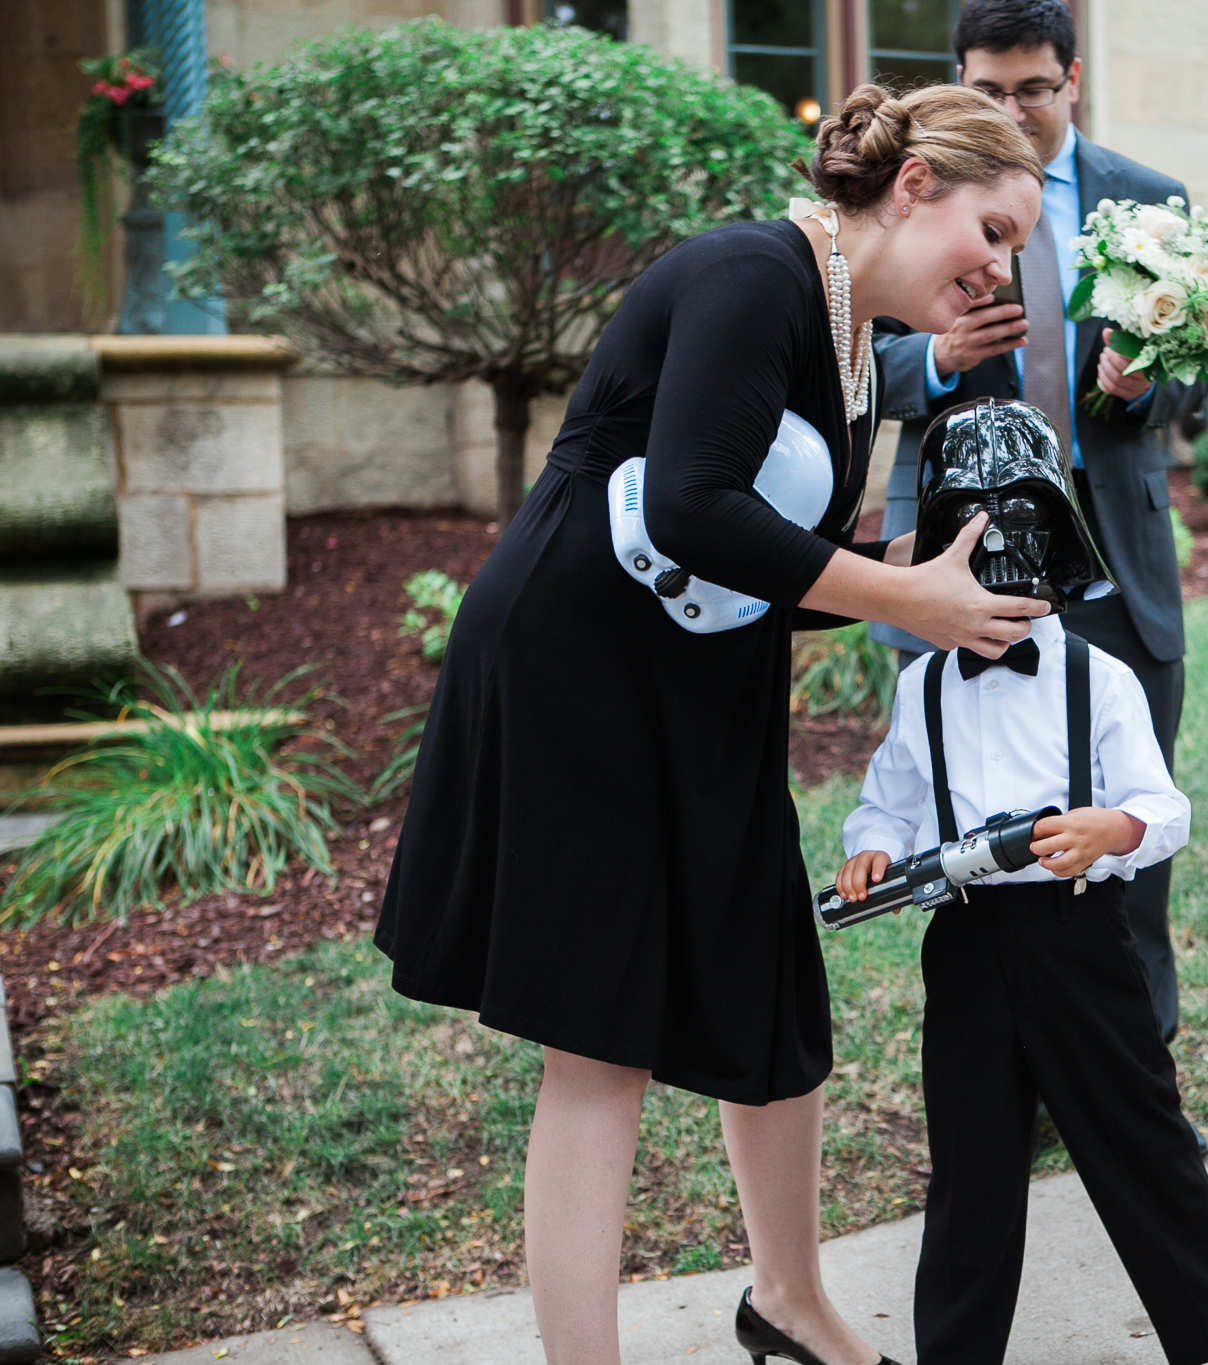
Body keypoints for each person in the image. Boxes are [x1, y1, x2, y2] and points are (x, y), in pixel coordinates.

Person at [375, 85, 1048, 1365]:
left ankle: (786, 1305)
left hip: (700, 680)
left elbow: (775, 567)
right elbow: (686, 506)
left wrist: (934, 562)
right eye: (994, 229)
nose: (1000, 267)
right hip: (582, 675)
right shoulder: (754, 274)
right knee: (600, 1040)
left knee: (767, 1000)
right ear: (914, 189)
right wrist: (903, 591)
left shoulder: (851, 347)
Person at [833, 399, 1208, 1365]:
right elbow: (888, 800)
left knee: (1143, 1142)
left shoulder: (1100, 677)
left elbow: (1163, 806)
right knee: (971, 1172)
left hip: (1080, 937)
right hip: (965, 947)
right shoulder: (921, 687)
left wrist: (1115, 828)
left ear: (1056, 544)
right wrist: (871, 847)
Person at [871, 0, 1208, 1052]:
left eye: (1031, 87)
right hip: (963, 562)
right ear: (958, 81)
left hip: (1112, 560)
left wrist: (1145, 380)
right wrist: (936, 357)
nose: (1010, 110)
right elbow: (850, 365)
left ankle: (1138, 1088)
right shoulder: (910, 200)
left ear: (1072, 81)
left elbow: (1195, 373)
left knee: (1125, 836)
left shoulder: (1150, 202)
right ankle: (1004, 1090)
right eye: (985, 88)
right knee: (977, 840)